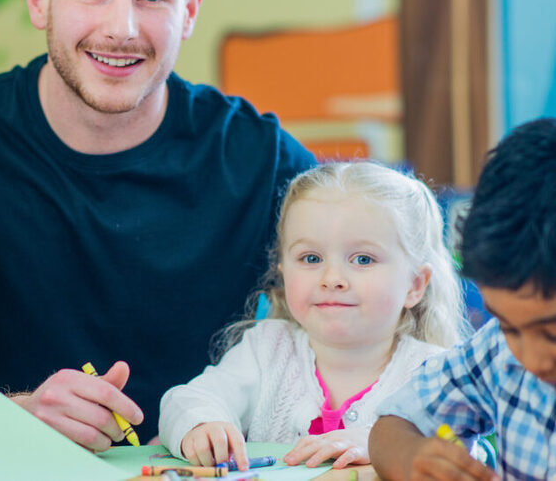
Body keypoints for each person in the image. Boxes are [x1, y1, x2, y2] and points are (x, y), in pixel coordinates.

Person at [0, 0, 316, 448]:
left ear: (190, 9)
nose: (121, 28)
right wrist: (19, 413)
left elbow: (384, 319)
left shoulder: (262, 161)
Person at [159, 162, 470, 471]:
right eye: (311, 258)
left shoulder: (433, 371)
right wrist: (202, 425)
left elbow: (466, 451)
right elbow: (185, 401)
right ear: (282, 272)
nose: (332, 277)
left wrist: (382, 443)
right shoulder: (266, 350)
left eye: (363, 259)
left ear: (414, 286)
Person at [369, 117, 556, 481]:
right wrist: (413, 459)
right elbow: (395, 422)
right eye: (507, 325)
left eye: (550, 334)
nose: (530, 359)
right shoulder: (499, 351)